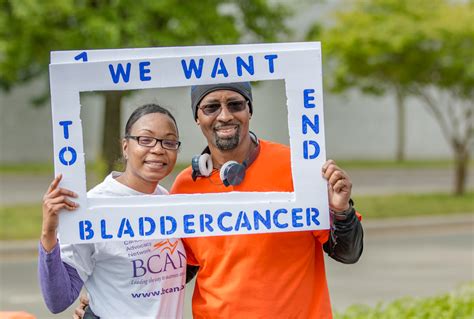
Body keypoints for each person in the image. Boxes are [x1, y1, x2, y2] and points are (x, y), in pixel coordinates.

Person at [170, 82, 364, 318]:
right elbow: (177, 271)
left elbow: (348, 253)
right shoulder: (185, 185)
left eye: (235, 104)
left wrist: (340, 209)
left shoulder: (297, 167)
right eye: (211, 107)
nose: (225, 115)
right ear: (197, 117)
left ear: (249, 110)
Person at [38, 104, 188, 318]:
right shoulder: (93, 207)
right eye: (145, 140)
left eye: (169, 142)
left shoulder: (166, 200)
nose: (158, 149)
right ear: (125, 147)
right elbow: (57, 300)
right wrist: (48, 233)